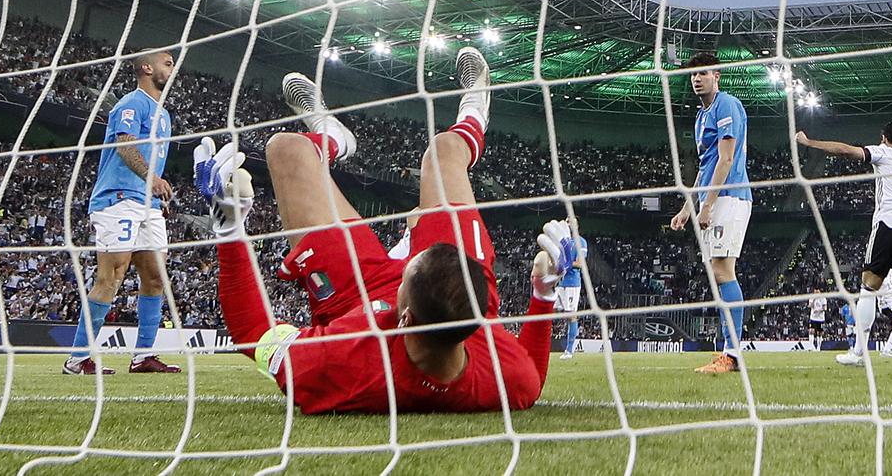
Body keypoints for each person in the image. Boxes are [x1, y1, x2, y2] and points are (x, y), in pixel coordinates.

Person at [198, 48, 576, 413]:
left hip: (353, 299)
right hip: (457, 280)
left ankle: (333, 136)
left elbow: (254, 332)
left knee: (284, 148)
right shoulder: (492, 363)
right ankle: (475, 110)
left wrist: (229, 227)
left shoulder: (338, 364)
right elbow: (530, 379)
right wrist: (542, 292)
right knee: (442, 151)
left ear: (403, 316)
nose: (410, 247)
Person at [64, 50, 180, 375]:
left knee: (155, 278)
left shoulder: (164, 114)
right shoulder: (132, 103)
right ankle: (77, 359)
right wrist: (151, 179)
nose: (172, 69)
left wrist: (156, 196)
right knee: (111, 277)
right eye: (167, 63)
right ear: (147, 67)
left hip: (148, 205)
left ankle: (143, 356)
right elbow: (125, 144)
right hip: (118, 199)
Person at [797, 122, 892, 369]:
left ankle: (859, 353)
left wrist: (810, 143)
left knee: (868, 288)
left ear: (884, 138)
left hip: (888, 226)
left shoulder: (882, 152)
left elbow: (846, 150)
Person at [670, 52, 752, 374]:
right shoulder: (700, 116)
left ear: (717, 75)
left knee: (723, 270)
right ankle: (726, 352)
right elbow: (705, 168)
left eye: (703, 73)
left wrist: (707, 205)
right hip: (713, 199)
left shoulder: (726, 105)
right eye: (693, 74)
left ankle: (731, 355)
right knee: (719, 276)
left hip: (729, 197)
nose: (696, 78)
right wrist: (687, 208)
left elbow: (726, 159)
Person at [556, 217, 588, 360]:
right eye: (567, 221)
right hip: (560, 282)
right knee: (551, 309)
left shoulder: (580, 242)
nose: (568, 223)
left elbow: (580, 263)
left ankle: (569, 351)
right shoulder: (563, 242)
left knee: (571, 315)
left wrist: (567, 264)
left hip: (572, 283)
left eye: (571, 222)